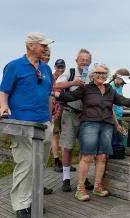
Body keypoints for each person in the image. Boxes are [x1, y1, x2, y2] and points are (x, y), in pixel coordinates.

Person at [55, 63, 130, 201]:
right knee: (87, 157)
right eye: (98, 73)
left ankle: (97, 187)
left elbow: (122, 101)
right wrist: (56, 93)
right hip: (89, 124)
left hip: (106, 125)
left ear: (107, 76)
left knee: (102, 157)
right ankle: (80, 189)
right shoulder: (86, 88)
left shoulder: (110, 90)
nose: (101, 75)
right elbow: (70, 96)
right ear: (93, 75)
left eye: (103, 73)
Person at [0, 32, 54, 218]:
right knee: (25, 164)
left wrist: (51, 117)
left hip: (44, 123)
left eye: (46, 45)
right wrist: (4, 106)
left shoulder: (46, 69)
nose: (46, 48)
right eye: (42, 45)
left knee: (40, 165)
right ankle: (21, 206)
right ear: (31, 45)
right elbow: (3, 92)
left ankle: (33, 201)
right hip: (22, 124)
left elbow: (47, 94)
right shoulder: (14, 66)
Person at [54, 49, 93, 192]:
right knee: (68, 147)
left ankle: (83, 178)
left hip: (87, 115)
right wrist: (73, 82)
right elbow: (56, 86)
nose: (84, 62)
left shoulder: (92, 74)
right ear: (76, 60)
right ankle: (66, 178)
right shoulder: (69, 72)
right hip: (70, 113)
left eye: (87, 60)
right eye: (82, 59)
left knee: (86, 148)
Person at [108, 68, 130, 159]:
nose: (124, 84)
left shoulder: (120, 86)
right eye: (123, 81)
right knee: (114, 142)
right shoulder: (110, 87)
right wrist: (117, 124)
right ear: (117, 77)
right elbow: (110, 108)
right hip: (113, 119)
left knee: (119, 140)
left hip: (119, 117)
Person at [51, 59, 66, 172]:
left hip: (65, 109)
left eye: (62, 67)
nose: (60, 69)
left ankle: (65, 162)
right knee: (55, 134)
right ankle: (57, 160)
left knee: (65, 136)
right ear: (55, 67)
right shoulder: (51, 78)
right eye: (58, 67)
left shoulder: (67, 77)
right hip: (54, 109)